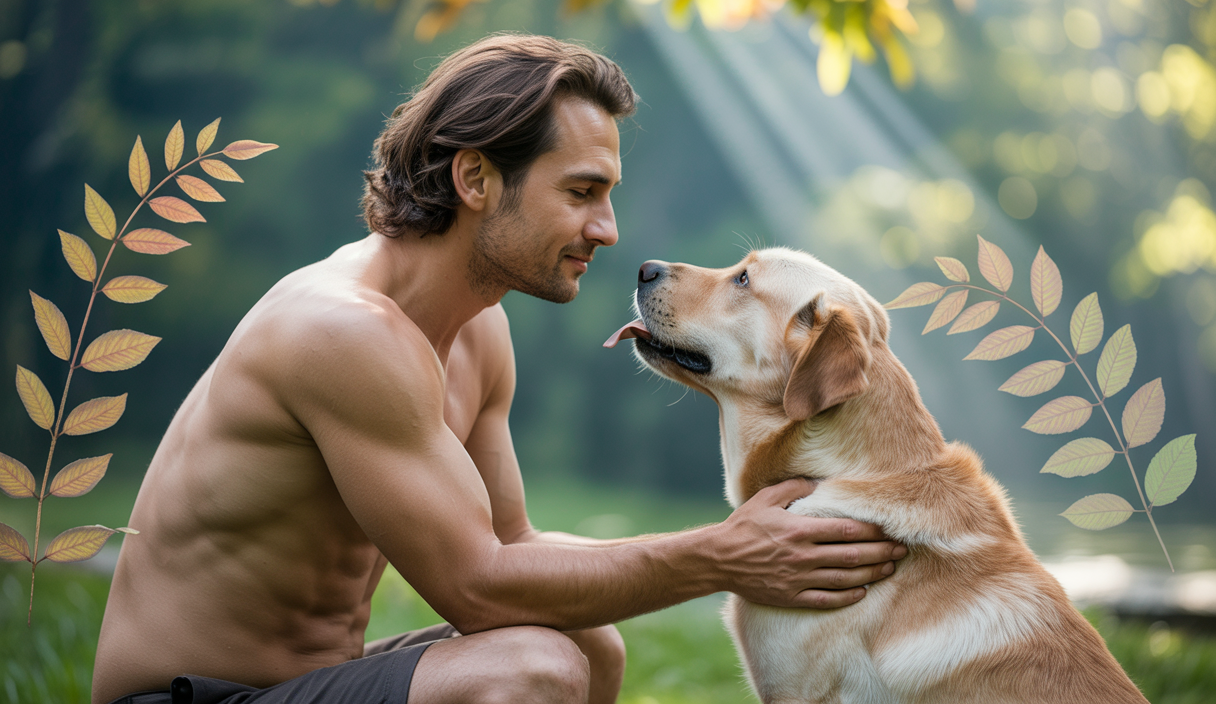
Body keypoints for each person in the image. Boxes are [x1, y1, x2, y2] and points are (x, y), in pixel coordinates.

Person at [91, 33, 906, 704]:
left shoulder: (476, 333)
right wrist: (721, 554)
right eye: (582, 192)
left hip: (308, 680)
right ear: (475, 177)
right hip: (186, 696)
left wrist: (735, 547)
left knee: (588, 644)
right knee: (529, 670)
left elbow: (511, 544)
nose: (609, 229)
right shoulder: (341, 332)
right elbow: (477, 590)